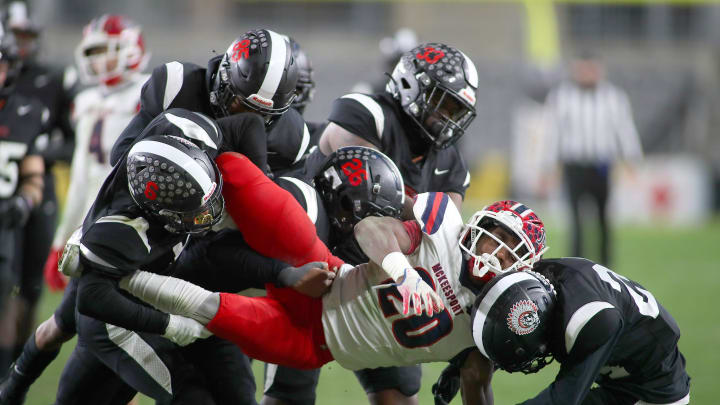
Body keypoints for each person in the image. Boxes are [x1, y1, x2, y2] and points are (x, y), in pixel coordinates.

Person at [117, 197, 549, 405]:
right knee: (270, 204)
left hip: (319, 346)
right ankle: (177, 192)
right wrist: (401, 271)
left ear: (523, 268)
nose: (498, 249)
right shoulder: (444, 233)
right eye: (499, 233)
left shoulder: (494, 316)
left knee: (212, 313)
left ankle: (119, 274)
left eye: (512, 247)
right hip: (324, 279)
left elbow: (478, 383)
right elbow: (370, 230)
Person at [296, 40, 479, 404]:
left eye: (457, 109)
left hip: (380, 280)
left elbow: (440, 236)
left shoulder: (450, 163)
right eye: (444, 103)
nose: (449, 117)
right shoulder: (368, 113)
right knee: (292, 389)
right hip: (315, 266)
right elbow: (361, 195)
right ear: (412, 87)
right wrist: (419, 213)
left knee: (398, 395)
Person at [0, 15, 150, 404]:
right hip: (93, 229)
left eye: (106, 51)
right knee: (85, 328)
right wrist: (61, 239)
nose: (99, 61)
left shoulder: (146, 97)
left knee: (114, 335)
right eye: (94, 52)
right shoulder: (87, 101)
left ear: (130, 50)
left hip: (133, 229)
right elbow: (82, 179)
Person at [255, 146, 405, 405]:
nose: (369, 235)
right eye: (364, 219)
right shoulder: (302, 207)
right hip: (222, 291)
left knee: (402, 387)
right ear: (341, 201)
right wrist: (285, 275)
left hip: (312, 298)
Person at [470, 259, 690, 405]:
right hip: (618, 379)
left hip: (654, 392)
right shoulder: (535, 283)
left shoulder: (591, 319)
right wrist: (463, 362)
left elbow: (564, 399)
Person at [110, 28, 310, 175]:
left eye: (263, 114)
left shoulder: (292, 137)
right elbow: (121, 156)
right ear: (222, 81)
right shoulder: (177, 85)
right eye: (241, 106)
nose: (250, 121)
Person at [1, 1, 76, 372]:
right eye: (16, 35)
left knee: (29, 283)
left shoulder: (53, 78)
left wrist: (39, 153)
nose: (22, 43)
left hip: (34, 187)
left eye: (27, 35)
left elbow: (74, 140)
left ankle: (16, 358)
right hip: (5, 188)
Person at [543, 52, 643, 266]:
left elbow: (624, 131)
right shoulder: (562, 96)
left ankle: (606, 267)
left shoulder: (613, 97)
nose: (587, 74)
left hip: (601, 166)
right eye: (583, 69)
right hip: (574, 165)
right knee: (576, 220)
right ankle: (577, 265)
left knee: (604, 219)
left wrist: (632, 161)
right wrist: (548, 168)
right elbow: (553, 135)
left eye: (591, 69)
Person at [0, 18, 47, 376]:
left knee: (7, 296)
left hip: (5, 220)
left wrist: (26, 201)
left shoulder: (25, 113)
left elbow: (34, 175)